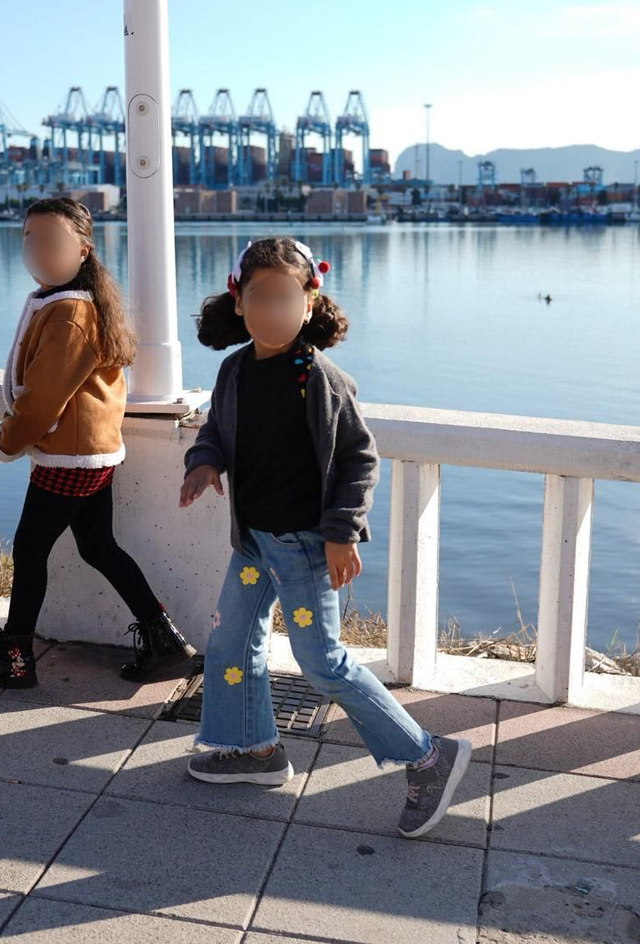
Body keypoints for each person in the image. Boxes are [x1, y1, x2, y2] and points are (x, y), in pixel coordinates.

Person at [179, 236, 470, 839]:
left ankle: (427, 758)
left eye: (287, 298)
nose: (272, 311)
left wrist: (342, 534)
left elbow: (360, 460)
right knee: (231, 641)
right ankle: (256, 750)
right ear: (238, 301)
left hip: (306, 545)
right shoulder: (234, 369)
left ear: (310, 303)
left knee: (324, 662)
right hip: (256, 541)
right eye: (260, 297)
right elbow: (216, 431)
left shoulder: (319, 379)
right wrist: (203, 462)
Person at [0, 197, 193, 689]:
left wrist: (5, 441)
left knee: (29, 549)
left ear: (83, 250)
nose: (38, 251)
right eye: (30, 240)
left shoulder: (69, 314)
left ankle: (15, 660)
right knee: (98, 546)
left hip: (71, 455)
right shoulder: (67, 303)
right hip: (87, 452)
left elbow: (42, 401)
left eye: (52, 242)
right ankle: (166, 642)